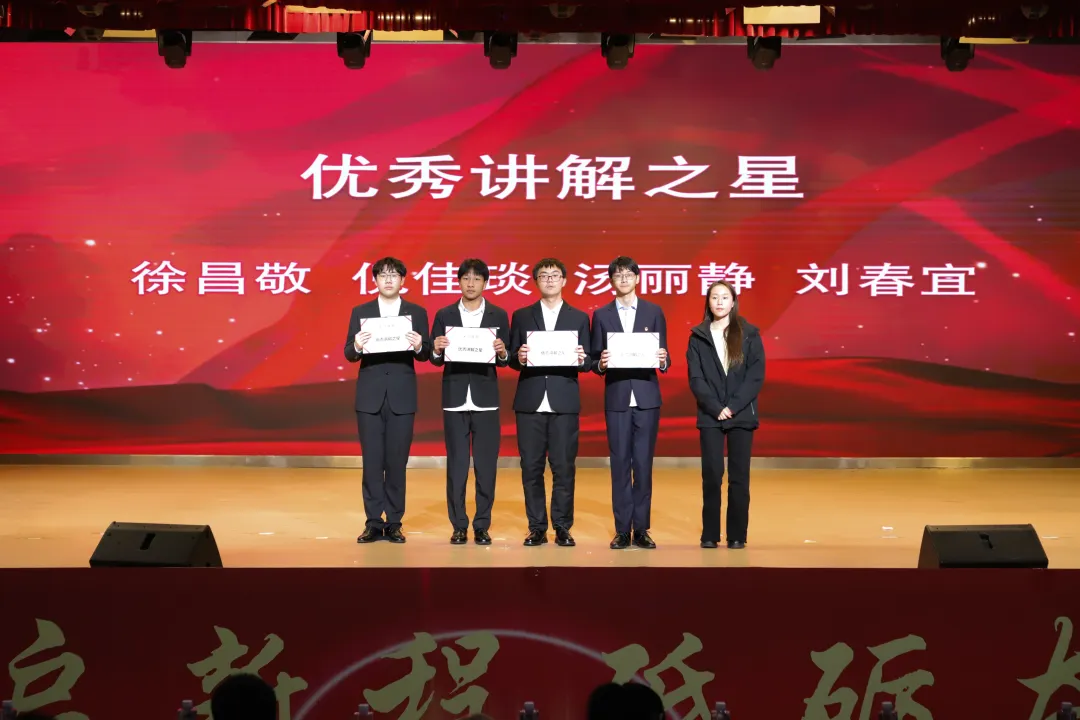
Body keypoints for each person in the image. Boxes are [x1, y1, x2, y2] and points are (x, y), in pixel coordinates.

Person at [344, 257, 431, 544]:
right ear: (375, 280)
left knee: (396, 462)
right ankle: (372, 522)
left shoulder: (416, 312)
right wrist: (358, 344)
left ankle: (394, 522)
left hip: (402, 397)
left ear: (403, 280)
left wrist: (419, 345)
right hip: (370, 397)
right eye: (383, 275)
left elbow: (426, 353)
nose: (389, 279)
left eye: (394, 275)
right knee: (371, 462)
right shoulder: (361, 312)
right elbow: (349, 352)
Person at [508, 258, 591, 547]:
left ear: (564, 280)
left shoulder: (579, 317)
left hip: (564, 401)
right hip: (530, 401)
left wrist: (582, 359)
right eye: (544, 276)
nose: (550, 280)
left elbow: (588, 361)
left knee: (563, 467)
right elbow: (512, 358)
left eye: (555, 275)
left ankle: (562, 526)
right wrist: (518, 357)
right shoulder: (521, 316)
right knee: (530, 467)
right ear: (536, 281)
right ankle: (537, 527)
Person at [430, 259, 511, 546]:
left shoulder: (499, 315)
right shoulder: (444, 314)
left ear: (485, 283)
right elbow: (435, 357)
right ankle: (459, 525)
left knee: (486, 465)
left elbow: (507, 358)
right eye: (466, 278)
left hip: (486, 399)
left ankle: (482, 524)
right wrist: (436, 349)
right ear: (459, 282)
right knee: (457, 464)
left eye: (477, 278)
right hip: (454, 398)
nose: (471, 283)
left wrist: (502, 352)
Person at [591, 257, 669, 550]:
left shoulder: (654, 311)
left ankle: (642, 529)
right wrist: (601, 363)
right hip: (617, 397)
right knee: (620, 463)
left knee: (644, 465)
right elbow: (594, 360)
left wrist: (663, 359)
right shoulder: (601, 315)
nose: (623, 279)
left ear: (637, 278)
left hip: (647, 397)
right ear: (611, 281)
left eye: (628, 274)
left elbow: (664, 354)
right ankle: (622, 529)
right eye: (617, 275)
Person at [686, 279, 765, 550]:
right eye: (714, 297)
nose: (719, 302)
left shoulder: (749, 334)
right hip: (710, 415)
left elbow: (755, 376)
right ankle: (710, 534)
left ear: (733, 302)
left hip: (741, 414)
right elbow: (696, 378)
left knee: (739, 477)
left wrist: (732, 406)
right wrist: (715, 407)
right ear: (708, 302)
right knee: (711, 474)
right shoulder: (698, 336)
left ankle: (737, 535)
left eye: (724, 297)